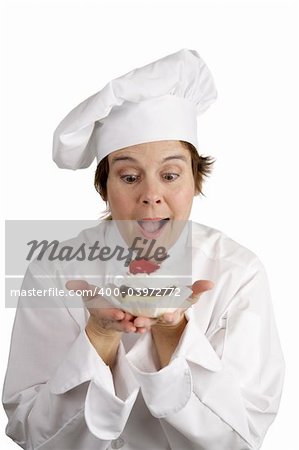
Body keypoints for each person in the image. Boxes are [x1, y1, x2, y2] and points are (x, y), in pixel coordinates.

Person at [2, 49, 285, 450]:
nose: (152, 195)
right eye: (130, 176)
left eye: (170, 175)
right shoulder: (54, 270)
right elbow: (30, 432)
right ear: (104, 187)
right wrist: (99, 335)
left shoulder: (238, 272)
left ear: (196, 181)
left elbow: (241, 436)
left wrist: (173, 331)